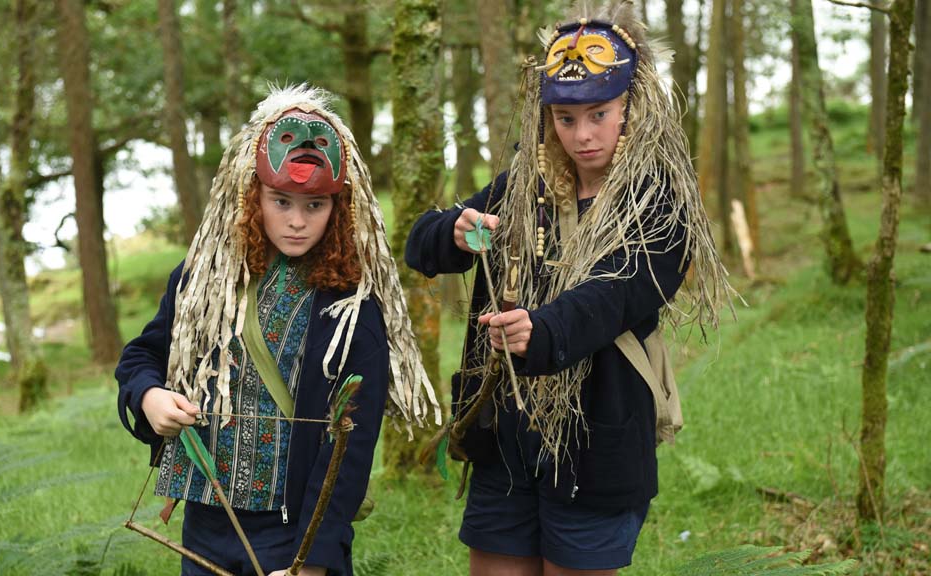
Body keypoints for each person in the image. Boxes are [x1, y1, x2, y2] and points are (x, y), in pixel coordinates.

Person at [406, 4, 733, 575]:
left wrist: (544, 328)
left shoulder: (661, 203)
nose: (582, 136)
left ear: (634, 105)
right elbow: (421, 246)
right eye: (565, 117)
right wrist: (453, 231)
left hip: (598, 436)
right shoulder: (524, 186)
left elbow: (618, 293)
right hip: (505, 434)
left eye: (599, 114)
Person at [117, 84, 438, 576]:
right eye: (281, 201)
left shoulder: (353, 307)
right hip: (205, 522)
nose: (295, 221)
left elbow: (349, 452)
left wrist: (312, 560)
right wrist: (149, 397)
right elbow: (140, 358)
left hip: (292, 535)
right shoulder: (204, 280)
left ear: (339, 208)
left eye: (315, 206)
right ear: (252, 195)